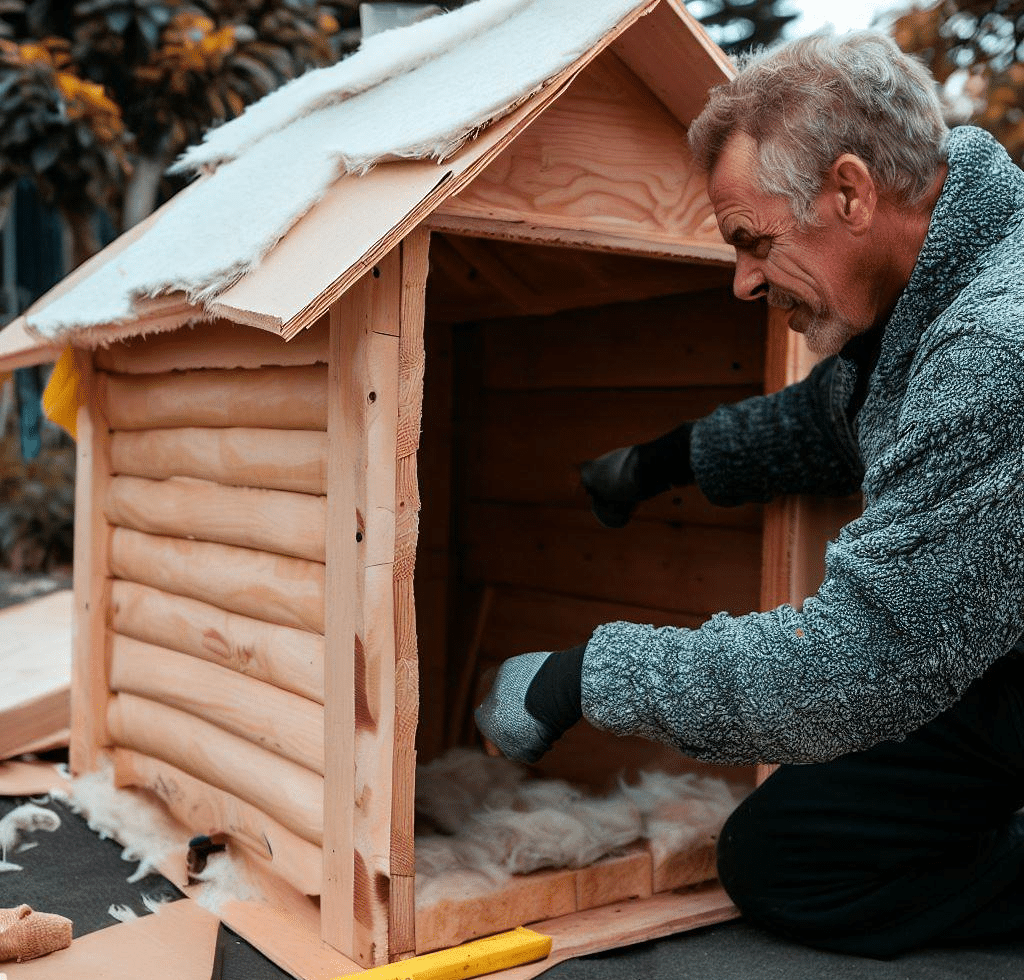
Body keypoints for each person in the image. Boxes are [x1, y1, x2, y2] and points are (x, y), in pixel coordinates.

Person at [475, 30, 1024, 957]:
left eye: (751, 241)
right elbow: (829, 419)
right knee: (781, 855)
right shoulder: (935, 287)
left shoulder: (996, 348)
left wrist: (582, 676)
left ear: (850, 191)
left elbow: (862, 663)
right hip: (988, 667)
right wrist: (656, 463)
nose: (741, 281)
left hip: (947, 668)